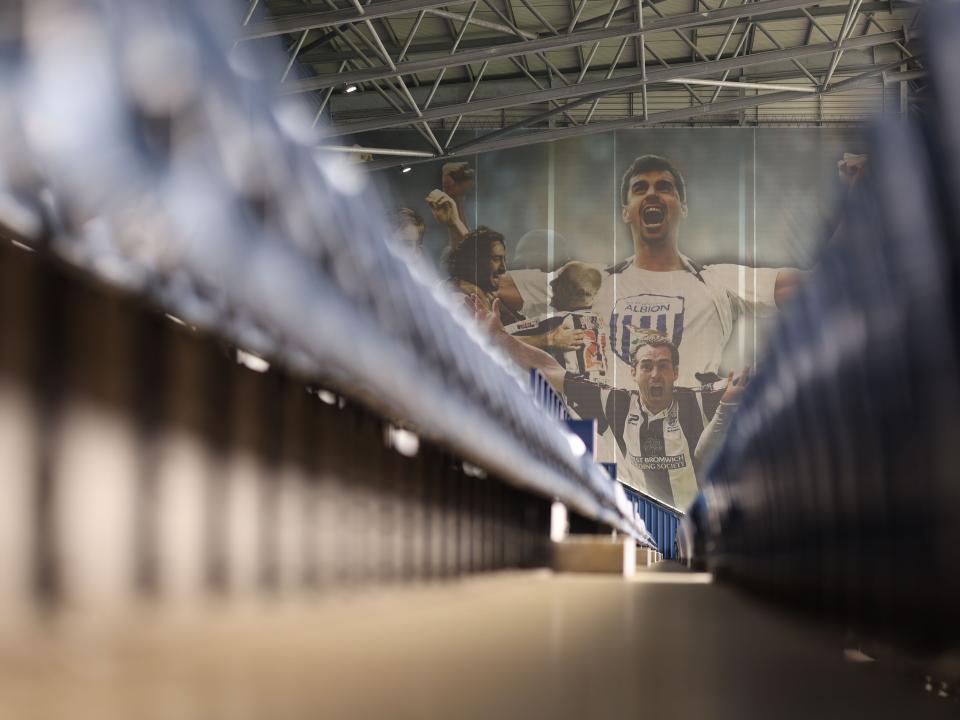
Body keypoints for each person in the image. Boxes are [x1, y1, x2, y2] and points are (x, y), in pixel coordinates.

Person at [479, 299, 745, 508]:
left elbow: (745, 383)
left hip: (694, 521)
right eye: (647, 366)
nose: (655, 374)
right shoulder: (614, 403)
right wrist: (502, 339)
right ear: (634, 373)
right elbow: (552, 370)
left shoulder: (699, 400)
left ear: (675, 372)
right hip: (647, 524)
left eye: (663, 366)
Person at [592, 154, 806, 389]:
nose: (652, 193)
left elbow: (812, 283)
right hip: (610, 425)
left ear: (683, 208)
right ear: (626, 212)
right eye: (640, 188)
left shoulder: (718, 282)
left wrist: (853, 197)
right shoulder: (592, 284)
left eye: (664, 187)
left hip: (699, 425)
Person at [504, 261, 608, 380]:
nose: (552, 283)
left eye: (560, 281)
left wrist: (546, 339)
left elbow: (497, 335)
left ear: (579, 293)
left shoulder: (559, 322)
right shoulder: (600, 321)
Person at [445, 226, 522, 324]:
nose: (503, 268)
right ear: (475, 262)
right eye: (496, 259)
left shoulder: (488, 297)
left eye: (504, 259)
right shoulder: (461, 303)